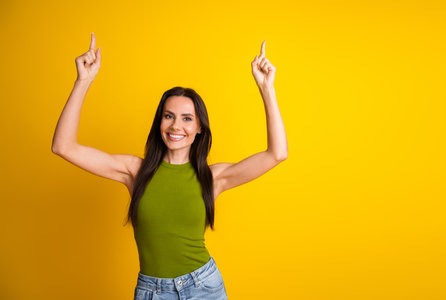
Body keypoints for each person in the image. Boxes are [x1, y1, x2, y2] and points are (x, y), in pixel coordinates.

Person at [51, 32, 288, 300]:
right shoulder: (135, 171)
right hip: (152, 292)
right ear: (160, 122)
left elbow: (276, 154)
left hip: (203, 288)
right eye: (169, 116)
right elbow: (63, 147)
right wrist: (82, 82)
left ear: (199, 128)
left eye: (187, 119)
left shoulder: (212, 177)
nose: (176, 126)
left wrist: (267, 89)